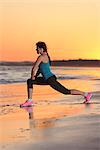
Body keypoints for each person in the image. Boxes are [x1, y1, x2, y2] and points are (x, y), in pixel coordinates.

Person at [20, 41, 92, 107]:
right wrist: (34, 77)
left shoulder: (41, 57)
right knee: (30, 81)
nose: (36, 50)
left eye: (37, 48)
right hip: (47, 79)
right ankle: (30, 100)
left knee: (66, 91)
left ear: (41, 49)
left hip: (50, 79)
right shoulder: (46, 56)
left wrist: (33, 76)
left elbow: (34, 68)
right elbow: (40, 69)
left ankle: (86, 94)